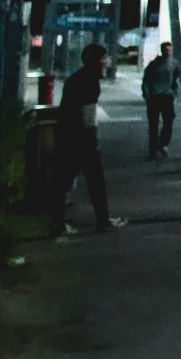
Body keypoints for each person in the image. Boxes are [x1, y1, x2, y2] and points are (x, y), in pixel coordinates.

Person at [53, 44, 122, 234]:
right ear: (94, 61)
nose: (105, 62)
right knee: (93, 180)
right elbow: (88, 114)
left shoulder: (76, 79)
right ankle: (100, 219)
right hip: (80, 139)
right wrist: (92, 141)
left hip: (68, 135)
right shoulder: (90, 82)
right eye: (102, 58)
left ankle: (62, 221)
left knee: (65, 180)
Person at [141, 41, 179, 158]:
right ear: (162, 51)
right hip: (154, 97)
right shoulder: (154, 64)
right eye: (166, 50)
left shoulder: (174, 64)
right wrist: (147, 94)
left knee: (169, 121)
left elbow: (176, 79)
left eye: (170, 50)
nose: (168, 53)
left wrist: (174, 93)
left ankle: (162, 143)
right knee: (153, 124)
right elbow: (146, 80)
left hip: (167, 96)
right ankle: (153, 149)